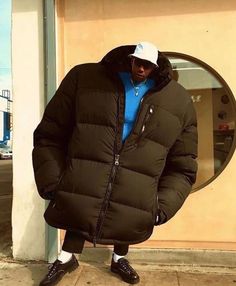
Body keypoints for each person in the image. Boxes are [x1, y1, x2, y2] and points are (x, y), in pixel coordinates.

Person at [32, 42, 198, 285]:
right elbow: (50, 135)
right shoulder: (85, 79)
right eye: (138, 62)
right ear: (130, 59)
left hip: (138, 177)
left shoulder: (178, 100)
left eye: (148, 65)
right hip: (88, 167)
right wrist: (52, 181)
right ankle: (66, 258)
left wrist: (161, 205)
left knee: (127, 208)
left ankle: (119, 258)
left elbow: (183, 164)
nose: (141, 69)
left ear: (156, 67)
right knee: (79, 207)